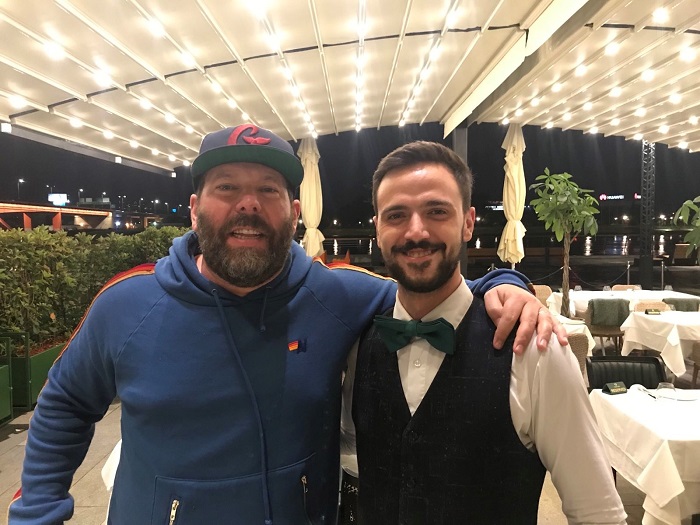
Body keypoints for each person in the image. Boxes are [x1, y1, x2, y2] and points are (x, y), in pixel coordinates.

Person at [9, 125, 565, 524]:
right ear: (196, 207)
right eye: (228, 187)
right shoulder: (127, 305)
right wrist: (38, 510)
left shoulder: (338, 294)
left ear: (294, 214)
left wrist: (505, 284)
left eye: (269, 191)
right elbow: (64, 404)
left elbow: (434, 292)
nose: (248, 205)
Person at [342, 141, 626, 524]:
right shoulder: (359, 342)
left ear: (468, 222)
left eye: (436, 211)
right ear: (377, 228)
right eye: (396, 215)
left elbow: (598, 513)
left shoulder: (535, 348)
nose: (416, 231)